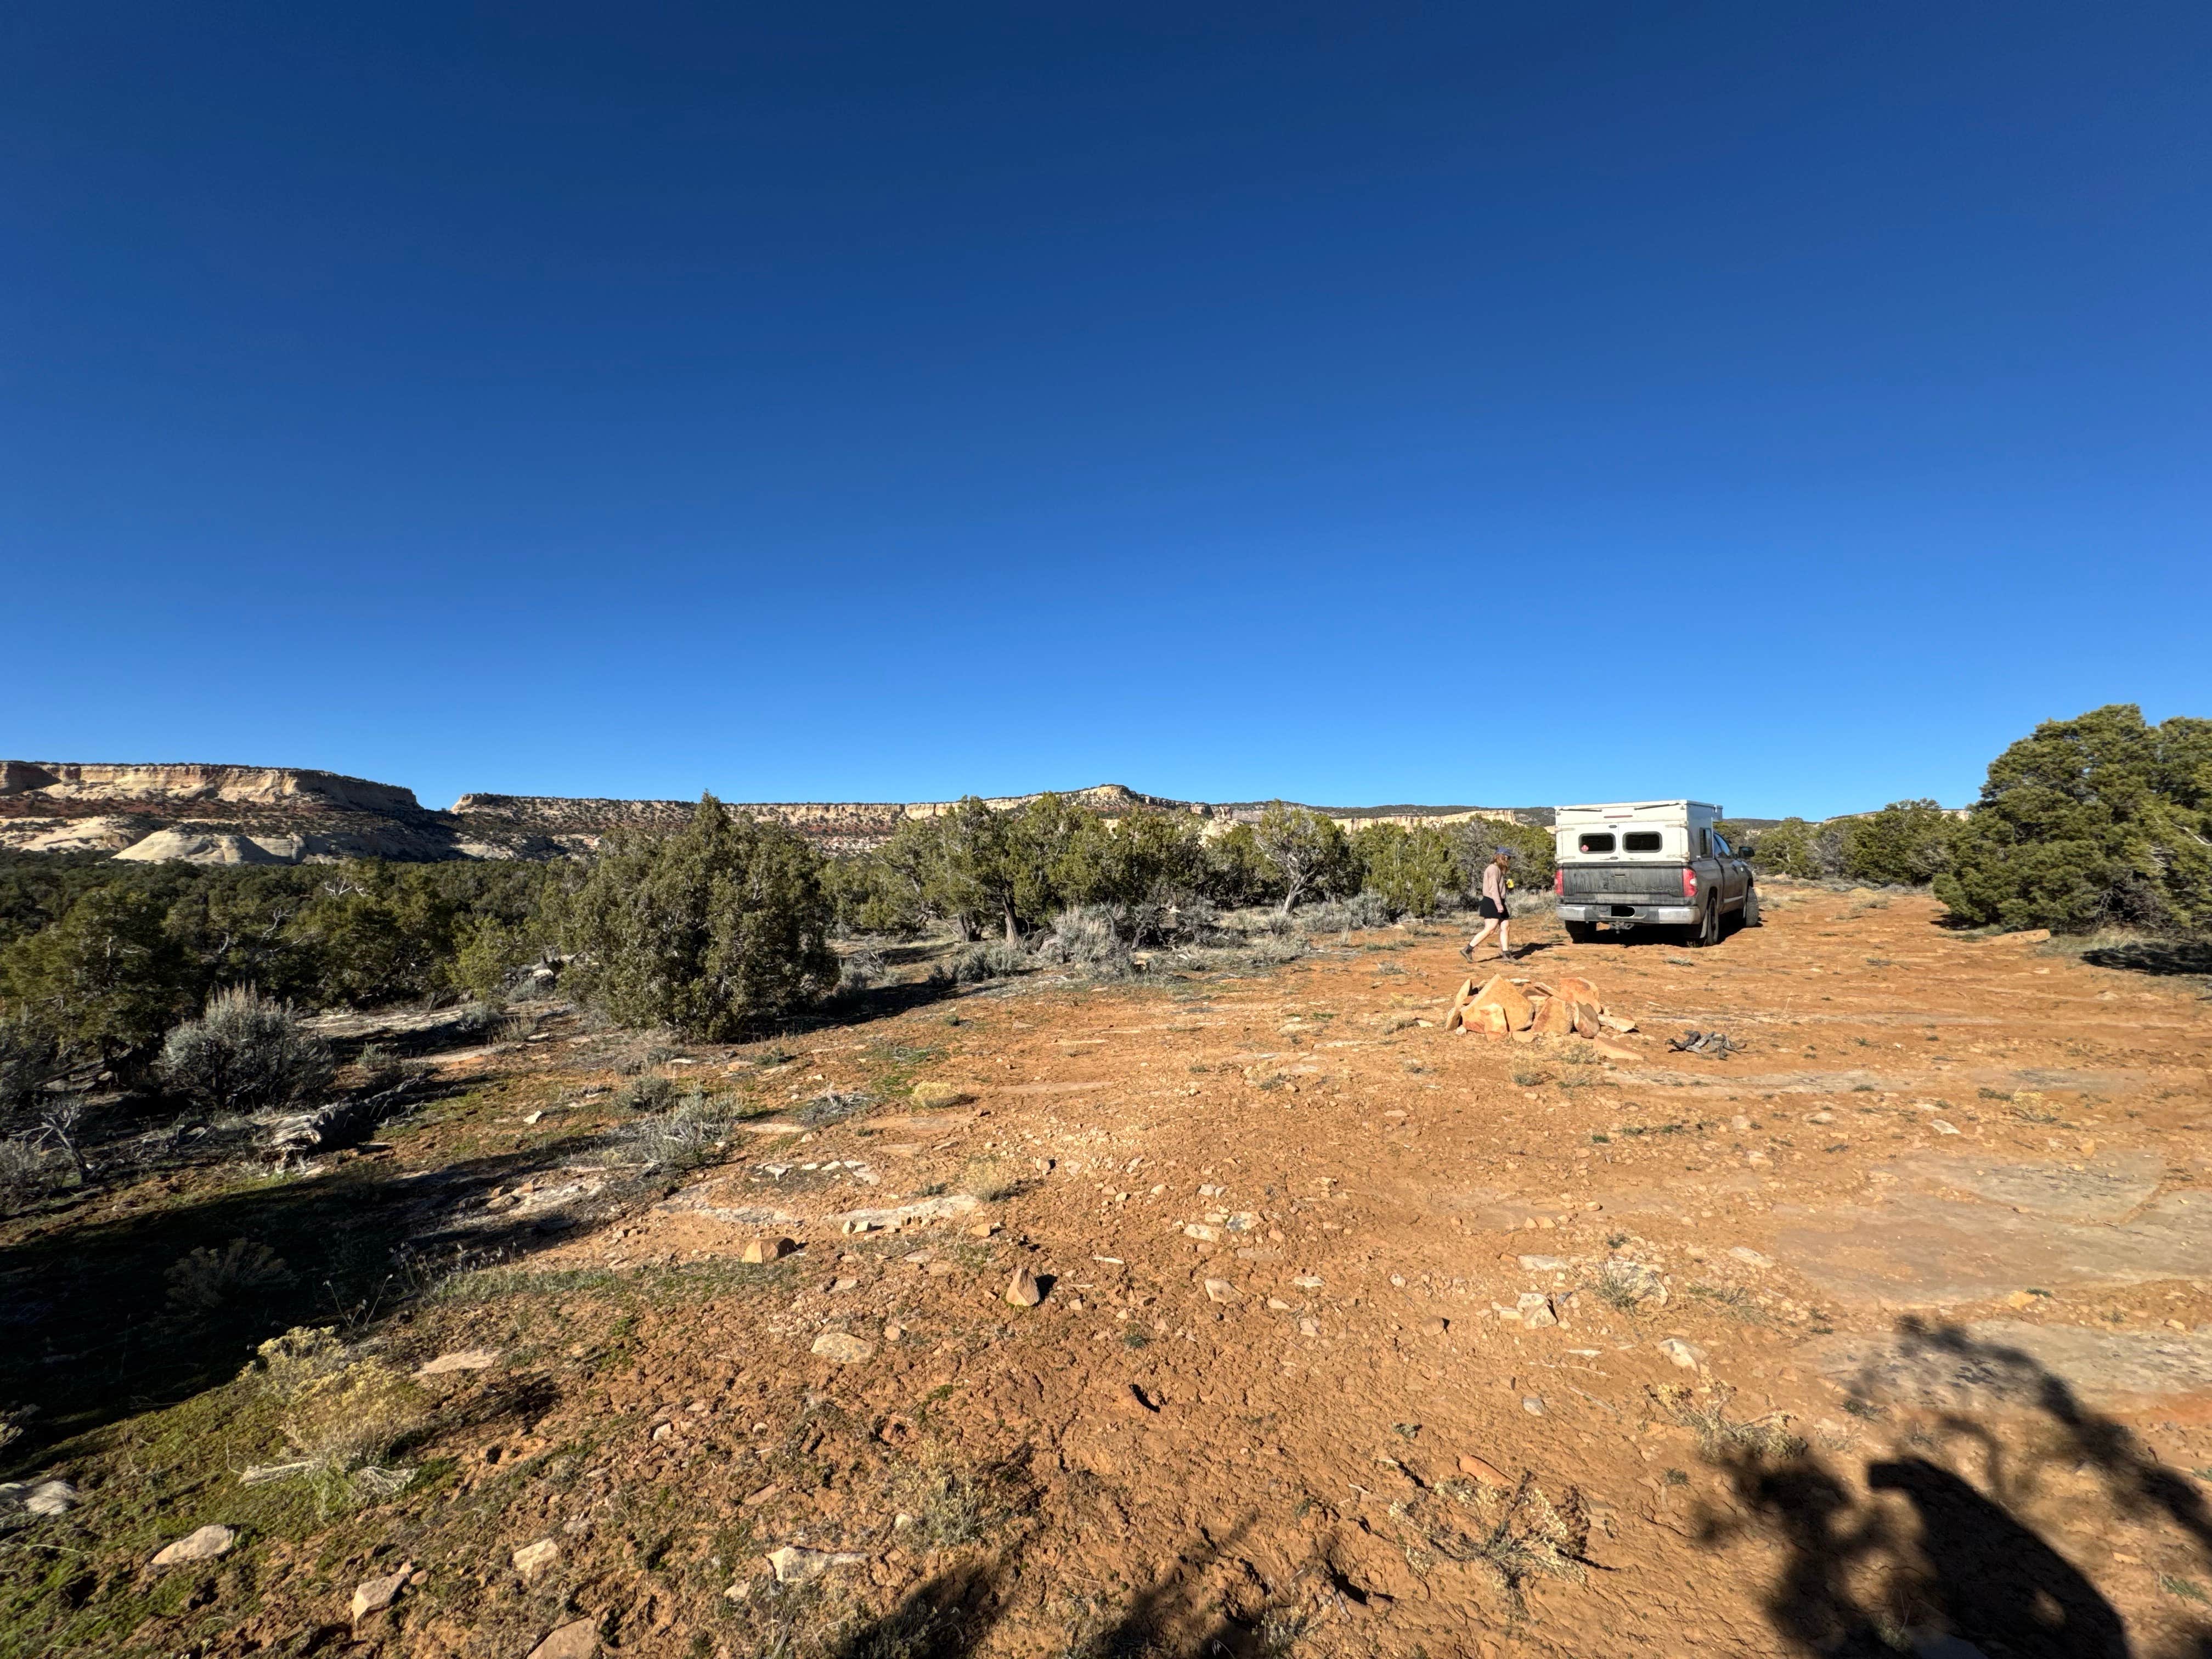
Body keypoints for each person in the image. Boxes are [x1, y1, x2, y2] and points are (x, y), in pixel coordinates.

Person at [1462, 850, 1516, 962]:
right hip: (1492, 901)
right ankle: (1468, 949)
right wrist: (1498, 905)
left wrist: (1507, 887)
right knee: (1490, 929)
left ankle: (1506, 955)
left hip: (1497, 901)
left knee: (1506, 926)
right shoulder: (1493, 869)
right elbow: (1493, 890)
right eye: (1507, 858)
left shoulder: (1499, 870)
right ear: (1501, 857)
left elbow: (1498, 888)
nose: (1508, 861)